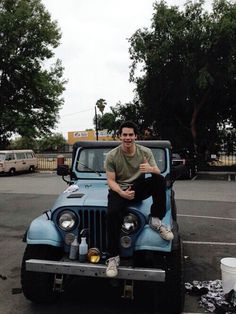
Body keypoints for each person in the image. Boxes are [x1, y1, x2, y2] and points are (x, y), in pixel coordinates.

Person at [104, 121, 174, 278]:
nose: (127, 138)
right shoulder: (112, 156)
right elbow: (111, 181)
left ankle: (156, 219)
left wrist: (150, 169)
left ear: (135, 136)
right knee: (112, 214)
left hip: (138, 187)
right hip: (119, 190)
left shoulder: (145, 152)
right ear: (120, 136)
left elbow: (156, 171)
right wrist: (121, 193)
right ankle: (113, 257)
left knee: (159, 180)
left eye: (130, 135)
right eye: (125, 135)